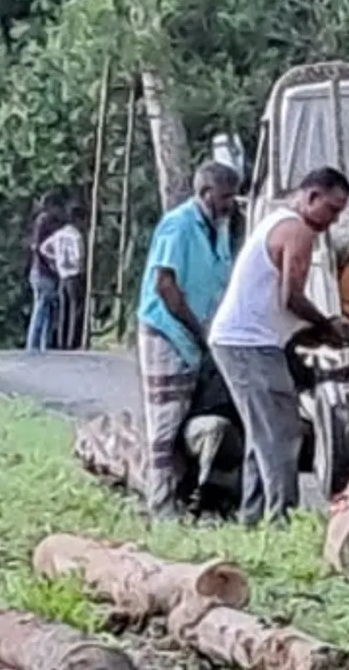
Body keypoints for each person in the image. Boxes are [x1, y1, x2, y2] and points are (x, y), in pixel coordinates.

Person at [209, 166, 349, 526]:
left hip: (249, 341)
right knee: (281, 433)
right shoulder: (298, 230)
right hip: (247, 344)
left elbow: (278, 305)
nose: (332, 221)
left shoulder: (280, 222)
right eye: (331, 210)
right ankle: (280, 521)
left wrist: (313, 332)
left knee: (263, 432)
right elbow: (292, 297)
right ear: (311, 197)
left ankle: (254, 518)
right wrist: (327, 325)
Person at [136, 161, 241, 518]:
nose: (230, 204)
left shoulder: (220, 227)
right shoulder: (178, 225)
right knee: (165, 423)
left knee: (194, 418)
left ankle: (192, 498)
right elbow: (165, 285)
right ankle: (161, 506)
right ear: (205, 193)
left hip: (200, 332)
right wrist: (197, 330)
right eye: (225, 196)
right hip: (168, 330)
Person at [41, 203, 87, 350]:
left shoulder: (59, 234)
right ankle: (72, 341)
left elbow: (44, 248)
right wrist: (80, 266)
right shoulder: (76, 235)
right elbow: (79, 255)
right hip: (74, 274)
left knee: (63, 309)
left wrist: (54, 259)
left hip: (62, 274)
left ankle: (60, 340)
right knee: (75, 308)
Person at [25, 192, 65, 353]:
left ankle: (43, 344)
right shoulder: (46, 222)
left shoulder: (39, 222)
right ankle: (34, 344)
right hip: (44, 272)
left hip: (36, 271)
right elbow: (41, 248)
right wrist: (52, 264)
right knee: (41, 306)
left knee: (45, 306)